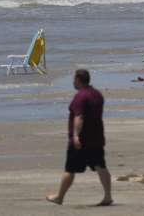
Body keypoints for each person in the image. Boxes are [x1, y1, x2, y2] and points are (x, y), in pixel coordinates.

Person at [46, 69, 112, 206]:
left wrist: (76, 136)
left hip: (81, 141)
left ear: (78, 80)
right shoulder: (97, 94)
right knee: (100, 166)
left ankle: (59, 197)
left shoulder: (81, 96)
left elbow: (79, 116)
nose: (73, 82)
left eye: (74, 79)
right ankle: (108, 196)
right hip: (96, 138)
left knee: (70, 170)